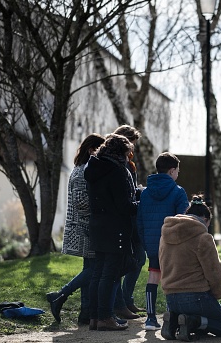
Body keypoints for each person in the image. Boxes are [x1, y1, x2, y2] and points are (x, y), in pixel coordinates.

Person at [46, 133, 105, 324]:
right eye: (100, 149)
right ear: (91, 150)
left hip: (84, 228)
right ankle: (60, 295)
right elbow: (81, 202)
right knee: (93, 269)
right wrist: (99, 214)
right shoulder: (82, 172)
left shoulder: (84, 169)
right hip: (84, 228)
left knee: (89, 268)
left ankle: (85, 313)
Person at [84, 134, 139, 331]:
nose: (128, 157)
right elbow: (124, 206)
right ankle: (105, 317)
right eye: (127, 152)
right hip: (115, 227)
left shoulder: (94, 168)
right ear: (120, 153)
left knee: (98, 273)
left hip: (98, 225)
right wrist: (139, 203)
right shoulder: (117, 171)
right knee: (110, 275)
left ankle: (94, 317)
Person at [159, 195, 221, 341]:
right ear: (205, 219)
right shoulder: (203, 237)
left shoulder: (165, 235)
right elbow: (214, 271)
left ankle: (173, 320)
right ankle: (193, 321)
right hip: (196, 296)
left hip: (170, 297)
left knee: (185, 314)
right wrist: (217, 294)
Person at [137, 152, 189, 331]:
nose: (178, 174)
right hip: (172, 243)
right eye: (177, 171)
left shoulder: (145, 193)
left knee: (153, 277)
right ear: (172, 170)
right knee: (171, 280)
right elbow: (182, 220)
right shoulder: (178, 192)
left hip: (151, 243)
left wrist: (146, 243)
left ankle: (150, 319)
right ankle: (170, 317)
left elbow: (140, 221)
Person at [111, 124, 146, 320]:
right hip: (125, 217)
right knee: (127, 261)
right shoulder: (118, 163)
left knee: (138, 258)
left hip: (133, 215)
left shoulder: (128, 163)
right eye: (131, 143)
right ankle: (121, 303)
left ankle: (126, 300)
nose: (133, 148)